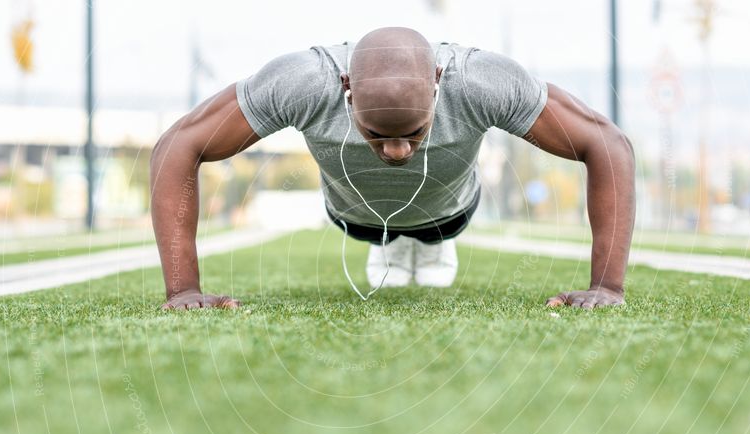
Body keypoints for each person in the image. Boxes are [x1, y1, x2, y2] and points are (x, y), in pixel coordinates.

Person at [150, 26, 634, 310]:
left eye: (414, 133)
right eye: (378, 136)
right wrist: (183, 289)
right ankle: (390, 247)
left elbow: (608, 144)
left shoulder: (480, 80)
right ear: (346, 88)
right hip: (354, 217)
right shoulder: (303, 82)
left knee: (431, 234)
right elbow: (177, 145)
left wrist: (606, 287)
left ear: (439, 82)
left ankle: (428, 247)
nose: (399, 153)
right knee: (379, 236)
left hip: (450, 211)